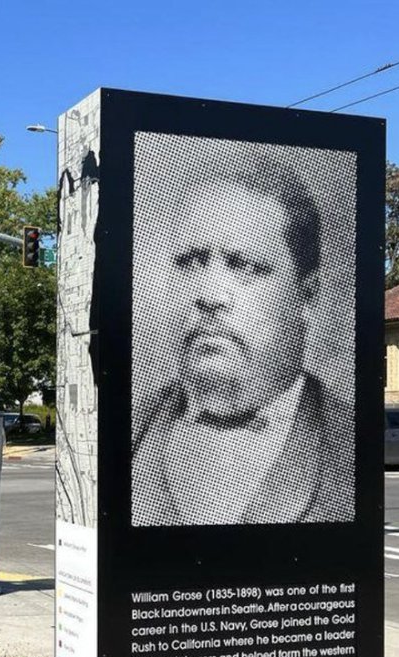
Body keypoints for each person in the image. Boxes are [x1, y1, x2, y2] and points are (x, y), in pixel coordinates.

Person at [131, 150, 353, 527]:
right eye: (191, 262)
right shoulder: (132, 428)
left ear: (307, 295)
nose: (209, 294)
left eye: (244, 266)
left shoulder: (349, 449)